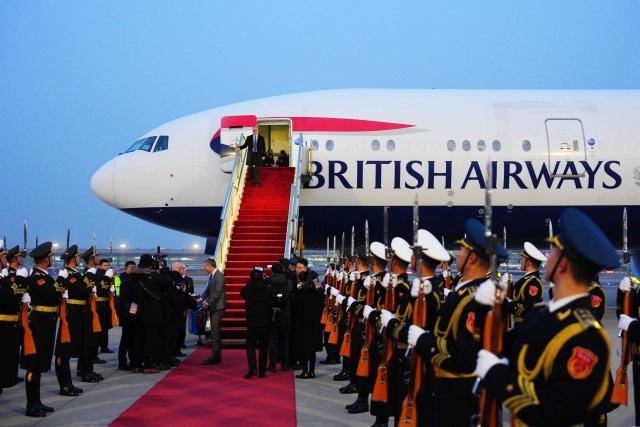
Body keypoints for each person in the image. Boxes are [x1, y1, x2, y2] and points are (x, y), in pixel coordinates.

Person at [475, 208, 617, 426]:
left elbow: (555, 411)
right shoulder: (544, 314)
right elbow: (504, 345)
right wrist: (486, 309)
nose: (546, 258)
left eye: (552, 252)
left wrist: (497, 376)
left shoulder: (587, 337)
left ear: (562, 264)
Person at [408, 219, 507, 426]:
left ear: (472, 258)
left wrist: (424, 339)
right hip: (445, 390)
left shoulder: (476, 298)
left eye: (462, 250)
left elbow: (464, 356)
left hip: (458, 396)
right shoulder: (465, 291)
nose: (458, 255)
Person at [21, 242, 63, 417]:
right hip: (39, 324)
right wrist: (61, 283)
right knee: (34, 366)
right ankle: (31, 404)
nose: (52, 259)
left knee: (40, 364)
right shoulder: (38, 277)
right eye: (51, 257)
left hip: (46, 323)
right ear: (46, 259)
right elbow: (53, 296)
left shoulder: (44, 277)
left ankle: (37, 401)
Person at [0, 245, 26, 396]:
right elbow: (10, 297)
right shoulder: (7, 277)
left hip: (11, 323)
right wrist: (21, 281)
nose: (5, 258)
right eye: (3, 256)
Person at [241, 268, 274, 378]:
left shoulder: (248, 289)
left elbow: (242, 293)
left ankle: (252, 369)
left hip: (252, 322)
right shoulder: (268, 289)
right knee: (263, 347)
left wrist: (250, 282)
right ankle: (262, 371)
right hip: (265, 322)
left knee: (250, 346)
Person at [504, 242, 546, 325]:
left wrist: (508, 303)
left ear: (528, 263)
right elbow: (518, 298)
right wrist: (509, 286)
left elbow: (529, 307)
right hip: (519, 325)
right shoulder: (527, 279)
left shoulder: (534, 282)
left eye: (522, 259)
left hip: (525, 326)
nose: (521, 261)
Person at [292, 270, 324, 379]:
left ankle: (305, 370)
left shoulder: (299, 293)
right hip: (315, 324)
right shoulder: (316, 293)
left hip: (302, 324)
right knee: (312, 349)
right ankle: (312, 371)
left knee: (304, 348)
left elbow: (295, 308)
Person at [267, 262, 292, 371]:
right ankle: (284, 364)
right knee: (285, 340)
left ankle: (272, 364)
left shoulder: (268, 282)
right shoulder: (288, 283)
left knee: (272, 340)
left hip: (272, 313)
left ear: (272, 271)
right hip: (285, 314)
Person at [201, 258, 226, 365]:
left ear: (210, 266)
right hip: (214, 306)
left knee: (215, 332)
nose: (204, 268)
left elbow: (217, 292)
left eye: (205, 266)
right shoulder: (212, 276)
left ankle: (215, 357)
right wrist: (201, 298)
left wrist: (207, 303)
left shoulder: (219, 275)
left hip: (218, 307)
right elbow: (208, 289)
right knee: (214, 332)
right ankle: (216, 356)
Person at [117, 261, 137, 370]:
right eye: (132, 267)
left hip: (131, 313)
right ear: (126, 268)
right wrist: (134, 311)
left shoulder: (131, 280)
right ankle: (122, 362)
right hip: (127, 315)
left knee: (131, 339)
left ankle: (131, 360)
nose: (134, 269)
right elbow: (125, 302)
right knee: (125, 339)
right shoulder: (125, 281)